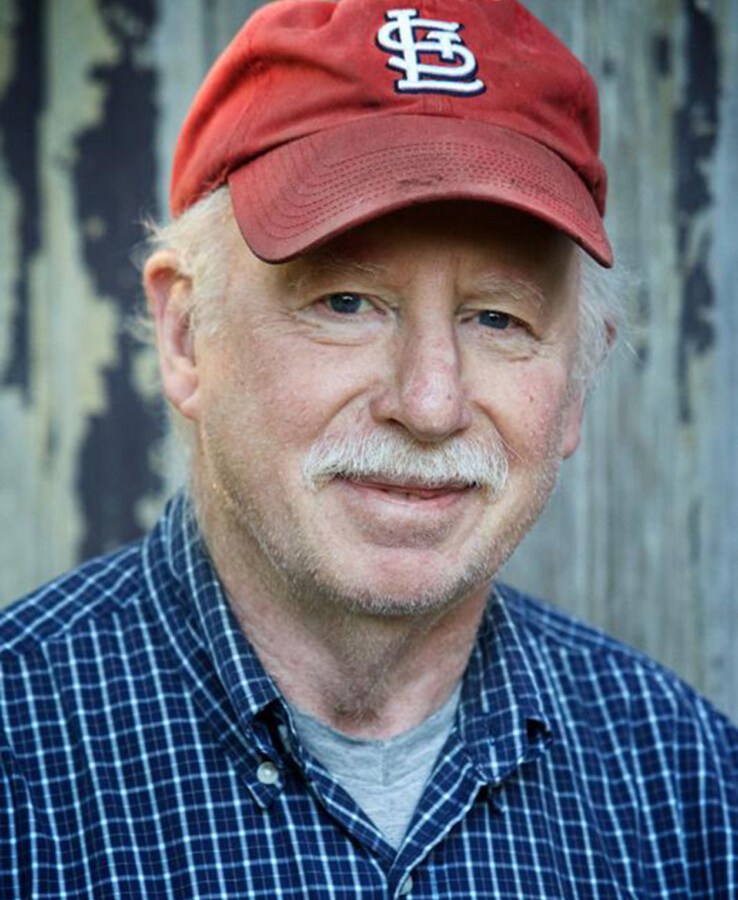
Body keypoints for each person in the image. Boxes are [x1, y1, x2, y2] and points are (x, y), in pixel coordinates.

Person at [1, 0, 736, 896]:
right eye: (346, 302)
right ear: (186, 335)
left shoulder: (694, 794)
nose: (429, 403)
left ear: (576, 384)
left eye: (497, 318)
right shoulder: (17, 760)